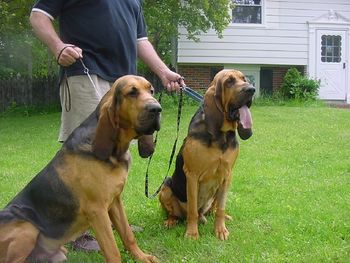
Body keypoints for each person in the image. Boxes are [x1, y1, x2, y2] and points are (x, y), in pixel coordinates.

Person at [29, 0, 183, 252]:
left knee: (114, 159)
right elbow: (38, 15)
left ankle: (111, 220)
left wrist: (164, 72)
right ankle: (79, 230)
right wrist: (58, 47)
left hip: (124, 83)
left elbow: (140, 40)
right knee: (86, 154)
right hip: (86, 72)